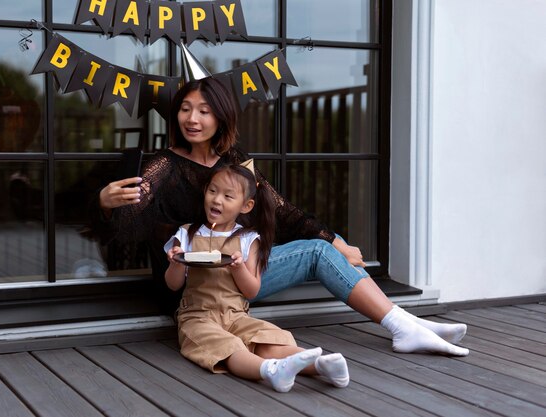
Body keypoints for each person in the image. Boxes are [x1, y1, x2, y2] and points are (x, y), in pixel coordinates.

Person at [91, 77, 469, 356]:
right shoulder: (165, 165)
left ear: (221, 117)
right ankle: (404, 324)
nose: (193, 118)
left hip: (239, 274)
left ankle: (407, 323)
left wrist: (335, 239)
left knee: (322, 249)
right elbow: (130, 224)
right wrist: (107, 203)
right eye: (186, 109)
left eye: (204, 111)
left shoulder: (235, 163)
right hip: (193, 289)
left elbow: (282, 211)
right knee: (318, 252)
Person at [164, 163, 349, 392]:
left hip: (236, 315)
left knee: (267, 339)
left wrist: (238, 267)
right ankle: (270, 371)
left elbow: (252, 291)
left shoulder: (248, 240)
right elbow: (173, 285)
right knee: (227, 346)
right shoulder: (186, 233)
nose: (217, 199)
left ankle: (321, 365)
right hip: (197, 316)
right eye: (212, 191)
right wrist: (175, 262)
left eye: (228, 196)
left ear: (246, 205)